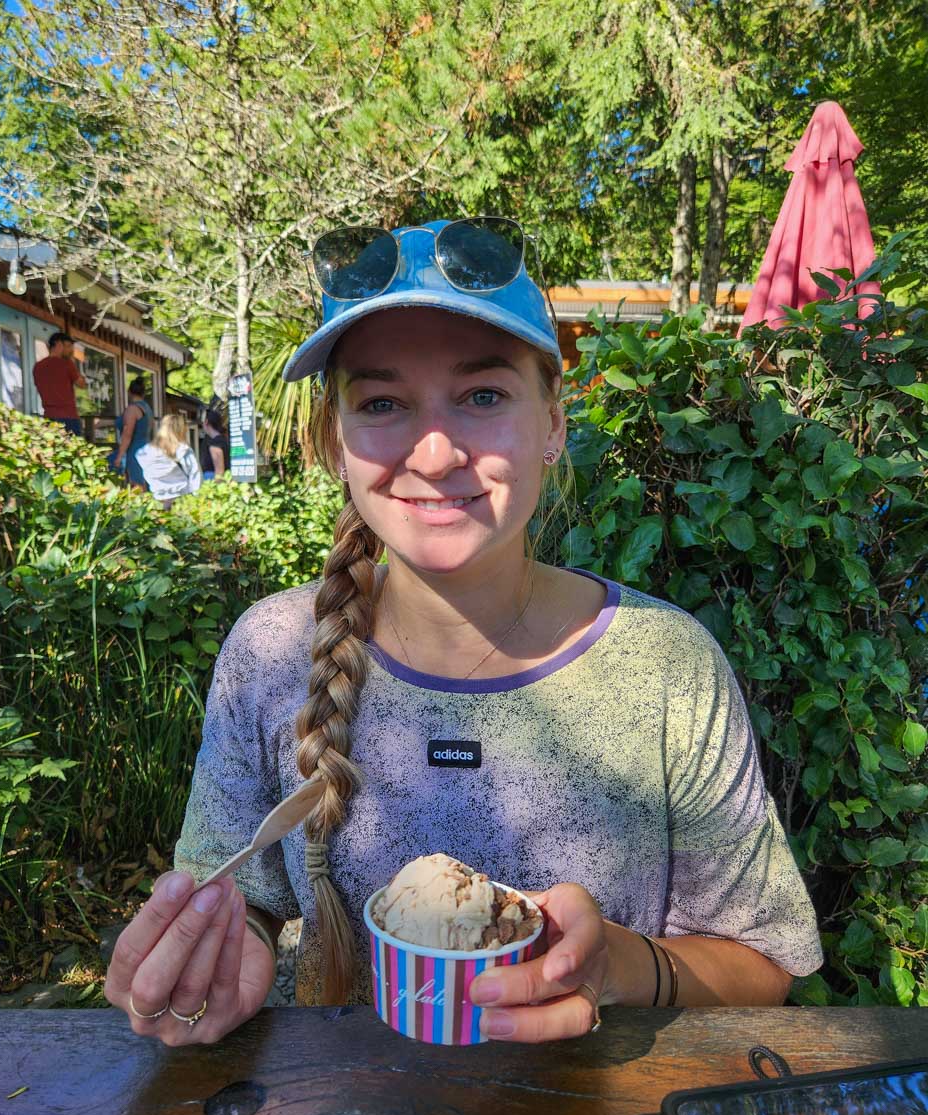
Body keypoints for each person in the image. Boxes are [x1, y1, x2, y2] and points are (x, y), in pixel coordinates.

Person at [105, 218, 823, 1046]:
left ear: (553, 422)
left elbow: (763, 963)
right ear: (334, 442)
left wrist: (620, 967)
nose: (437, 452)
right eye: (382, 403)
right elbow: (242, 906)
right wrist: (211, 966)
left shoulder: (668, 666)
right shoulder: (270, 653)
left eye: (483, 396)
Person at [134, 412, 202, 508]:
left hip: (157, 501)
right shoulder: (183, 450)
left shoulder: (145, 451)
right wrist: (197, 499)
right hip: (182, 500)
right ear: (180, 429)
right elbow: (195, 476)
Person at [33, 331, 87, 436]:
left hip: (49, 417)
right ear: (58, 344)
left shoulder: (38, 367)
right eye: (68, 346)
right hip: (68, 417)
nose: (71, 350)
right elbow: (82, 384)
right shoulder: (67, 364)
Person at [112, 377, 154, 487]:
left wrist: (120, 456)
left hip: (134, 450)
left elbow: (127, 434)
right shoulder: (147, 408)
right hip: (147, 447)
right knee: (146, 480)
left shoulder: (132, 409)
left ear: (129, 392)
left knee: (136, 484)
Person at [200, 408, 229, 480]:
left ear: (206, 422)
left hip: (213, 484)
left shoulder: (215, 444)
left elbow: (219, 472)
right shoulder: (223, 440)